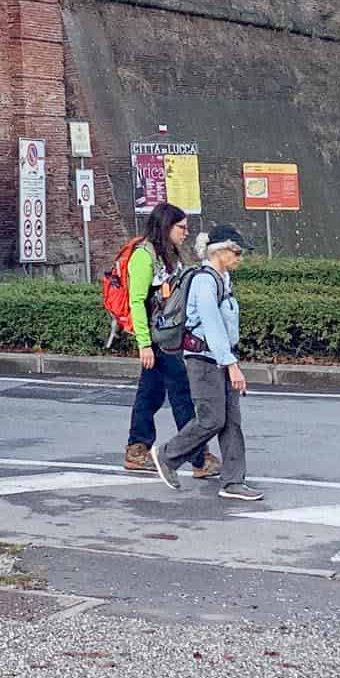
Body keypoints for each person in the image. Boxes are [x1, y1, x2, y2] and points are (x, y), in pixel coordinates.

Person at [155, 224, 262, 502]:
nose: (241, 257)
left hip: (220, 357)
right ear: (221, 251)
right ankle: (168, 455)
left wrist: (229, 360)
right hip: (203, 360)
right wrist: (232, 365)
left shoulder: (222, 278)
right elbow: (212, 325)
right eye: (237, 252)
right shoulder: (205, 281)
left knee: (231, 421)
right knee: (212, 418)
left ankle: (233, 481)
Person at [123, 204, 213, 480]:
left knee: (150, 394)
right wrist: (144, 344)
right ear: (166, 226)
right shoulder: (144, 256)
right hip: (159, 340)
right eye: (181, 227)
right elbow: (136, 301)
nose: (186, 233)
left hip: (171, 337)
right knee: (182, 394)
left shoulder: (171, 255)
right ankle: (199, 458)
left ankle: (137, 449)